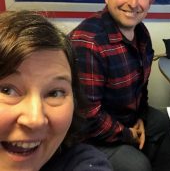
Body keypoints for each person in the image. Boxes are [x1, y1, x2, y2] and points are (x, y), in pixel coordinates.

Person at [69, 0, 170, 171]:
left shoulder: (142, 33)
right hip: (90, 136)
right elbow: (88, 117)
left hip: (126, 119)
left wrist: (141, 118)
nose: (133, 3)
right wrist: (128, 135)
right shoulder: (88, 42)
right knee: (137, 165)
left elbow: (140, 90)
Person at [0, 10, 113, 171]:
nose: (35, 120)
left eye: (55, 93)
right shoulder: (92, 40)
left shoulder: (82, 162)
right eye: (6, 90)